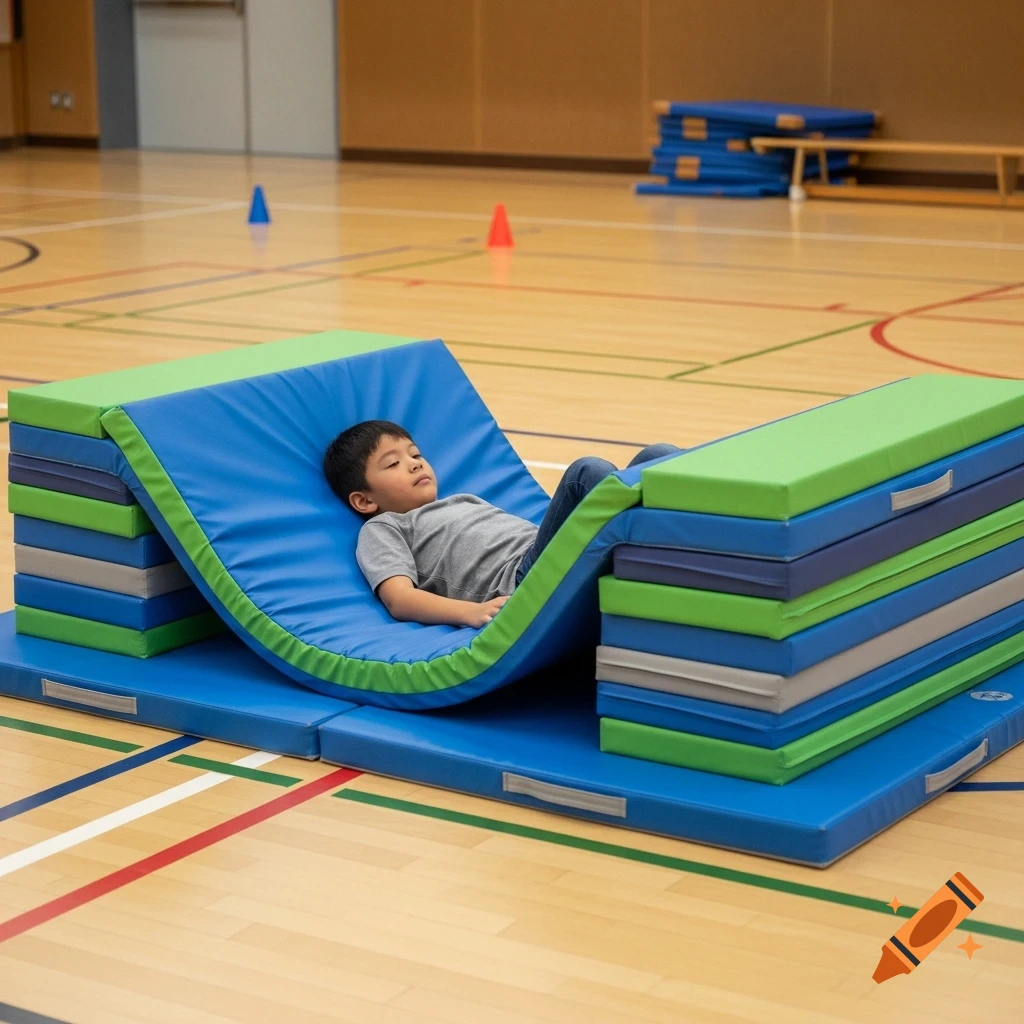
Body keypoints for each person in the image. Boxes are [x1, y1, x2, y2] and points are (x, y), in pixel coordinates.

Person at [323, 419, 678, 629]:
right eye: (393, 464)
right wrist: (471, 612)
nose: (415, 464)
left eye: (415, 455)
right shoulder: (385, 527)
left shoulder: (462, 500)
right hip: (523, 582)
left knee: (657, 456)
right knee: (586, 474)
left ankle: (689, 546)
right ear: (364, 500)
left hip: (545, 554)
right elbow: (400, 599)